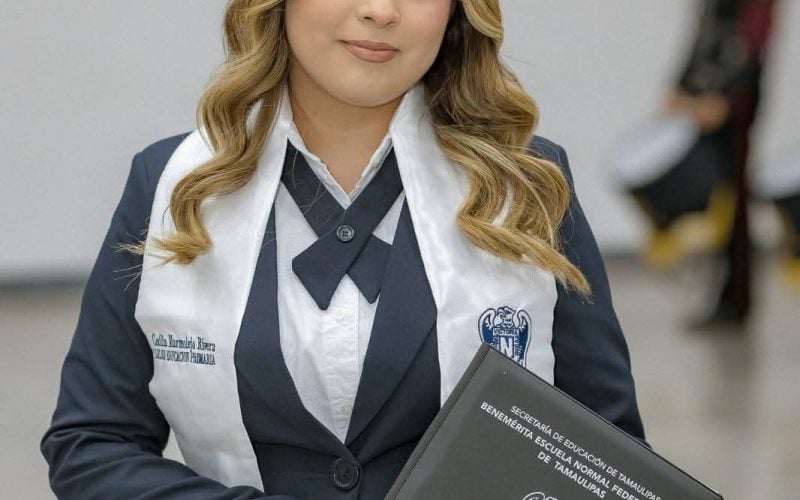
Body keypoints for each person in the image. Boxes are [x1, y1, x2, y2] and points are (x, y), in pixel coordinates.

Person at [40, 0, 644, 498]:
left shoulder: (525, 186)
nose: (381, 11)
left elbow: (610, 460)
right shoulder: (175, 184)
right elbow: (91, 446)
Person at [664, 0, 777, 326]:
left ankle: (735, 299)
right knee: (717, 200)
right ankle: (724, 297)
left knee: (733, 200)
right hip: (710, 98)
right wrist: (681, 85)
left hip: (733, 104)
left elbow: (752, 40)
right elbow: (705, 30)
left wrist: (728, 97)